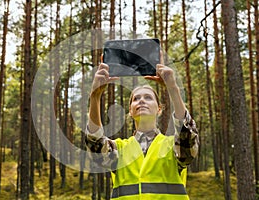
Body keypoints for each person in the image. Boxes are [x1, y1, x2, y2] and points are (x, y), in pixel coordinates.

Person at [85, 53, 199, 199]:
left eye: (148, 97)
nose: (141, 101)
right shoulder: (119, 150)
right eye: (136, 99)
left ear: (159, 109)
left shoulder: (173, 146)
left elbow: (188, 138)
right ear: (130, 112)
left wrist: (173, 88)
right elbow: (95, 144)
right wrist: (95, 96)